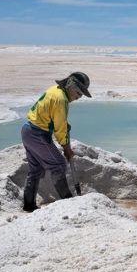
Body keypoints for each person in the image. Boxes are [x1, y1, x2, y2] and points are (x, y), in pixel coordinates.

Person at [21, 72, 92, 212]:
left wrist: (64, 124)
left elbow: (55, 117)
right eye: (78, 92)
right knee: (58, 164)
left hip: (28, 130)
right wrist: (67, 148)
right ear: (71, 85)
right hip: (38, 134)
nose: (78, 97)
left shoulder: (56, 90)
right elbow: (60, 129)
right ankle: (68, 203)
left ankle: (29, 206)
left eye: (81, 94)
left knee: (36, 169)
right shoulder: (61, 99)